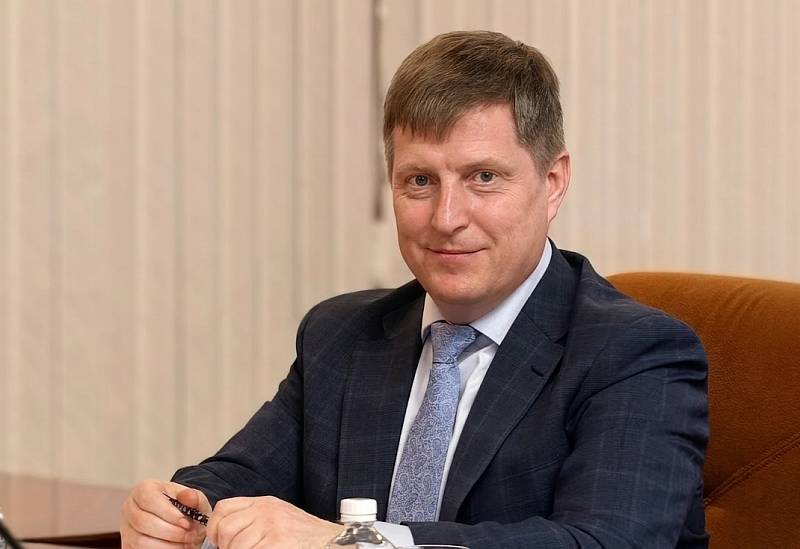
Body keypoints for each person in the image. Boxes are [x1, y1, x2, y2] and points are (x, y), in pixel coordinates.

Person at [120, 30, 709, 549]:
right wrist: (177, 513)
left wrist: (356, 543)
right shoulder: (341, 335)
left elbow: (608, 541)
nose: (447, 218)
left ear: (552, 182)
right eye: (420, 180)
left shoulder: (634, 353)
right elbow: (235, 480)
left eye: (483, 177)